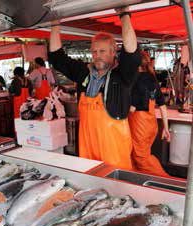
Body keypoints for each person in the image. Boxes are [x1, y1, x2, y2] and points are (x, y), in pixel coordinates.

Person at [48, 7, 140, 169]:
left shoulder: (122, 75)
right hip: (87, 146)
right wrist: (55, 24)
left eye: (103, 51)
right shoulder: (84, 73)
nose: (97, 55)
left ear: (113, 52)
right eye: (94, 51)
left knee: (117, 187)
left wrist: (124, 16)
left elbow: (131, 52)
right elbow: (56, 57)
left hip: (114, 148)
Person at [129, 51, 170, 176]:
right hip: (151, 126)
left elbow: (132, 109)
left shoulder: (136, 80)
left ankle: (164, 181)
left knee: (142, 159)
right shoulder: (152, 78)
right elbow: (162, 105)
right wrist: (166, 128)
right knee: (140, 157)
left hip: (140, 126)